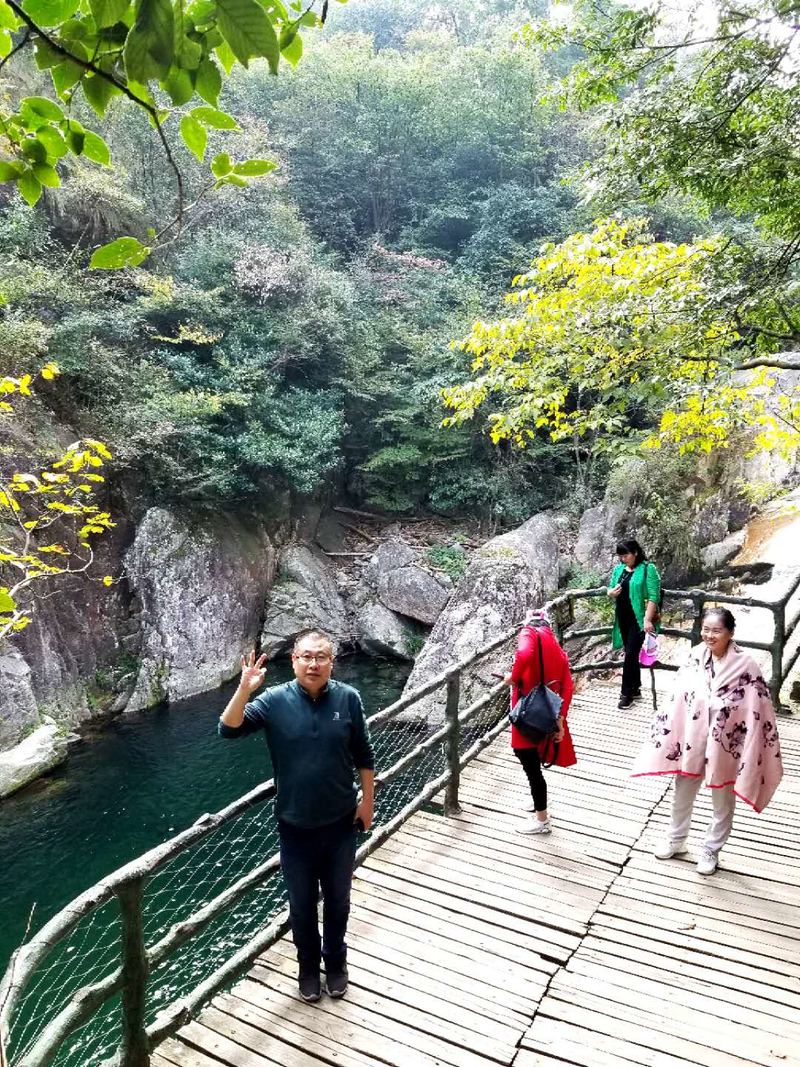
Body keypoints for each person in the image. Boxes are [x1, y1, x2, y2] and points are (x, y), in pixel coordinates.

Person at [218, 629, 375, 1002]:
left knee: (338, 901)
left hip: (340, 823)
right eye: (306, 656)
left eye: (321, 657)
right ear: (294, 661)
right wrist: (244, 690)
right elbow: (228, 729)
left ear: (331, 662)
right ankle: (307, 968)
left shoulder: (348, 698)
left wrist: (367, 802)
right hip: (295, 826)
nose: (313, 664)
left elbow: (363, 754)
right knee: (301, 906)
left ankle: (335, 963)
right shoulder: (274, 700)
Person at [632, 607, 783, 876]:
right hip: (693, 736)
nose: (709, 635)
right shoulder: (695, 656)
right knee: (682, 790)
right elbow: (679, 695)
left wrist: (724, 708)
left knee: (722, 798)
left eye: (716, 631)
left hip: (727, 742)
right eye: (706, 630)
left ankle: (711, 849)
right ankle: (676, 839)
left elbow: (757, 706)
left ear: (730, 633)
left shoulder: (746, 665)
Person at [505, 612, 577, 835]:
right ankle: (538, 801)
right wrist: (560, 720)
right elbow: (568, 686)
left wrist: (513, 677)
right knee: (534, 761)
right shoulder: (555, 646)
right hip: (546, 713)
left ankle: (542, 819)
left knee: (528, 762)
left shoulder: (529, 632)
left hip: (527, 711)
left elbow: (524, 653)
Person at [607, 538, 661, 710]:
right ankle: (636, 688)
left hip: (639, 620)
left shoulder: (648, 569)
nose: (623, 559)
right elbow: (610, 588)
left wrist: (647, 619)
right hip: (622, 618)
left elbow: (654, 596)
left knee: (630, 654)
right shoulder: (619, 570)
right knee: (631, 653)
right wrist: (611, 593)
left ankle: (626, 694)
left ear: (635, 552)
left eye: (626, 555)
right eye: (621, 556)